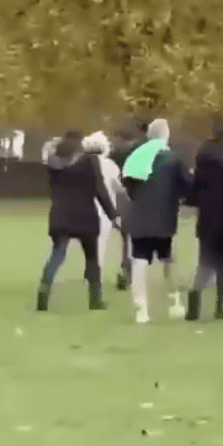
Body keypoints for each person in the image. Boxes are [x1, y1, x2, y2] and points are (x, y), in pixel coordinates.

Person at [121, 119, 195, 323]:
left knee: (139, 262)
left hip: (140, 217)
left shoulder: (135, 157)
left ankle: (141, 309)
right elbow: (188, 187)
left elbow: (128, 184)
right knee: (168, 261)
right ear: (166, 135)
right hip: (164, 218)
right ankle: (174, 303)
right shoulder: (172, 159)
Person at [37, 130, 118, 311]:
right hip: (85, 215)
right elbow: (100, 190)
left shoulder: (53, 163)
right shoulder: (90, 161)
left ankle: (44, 289)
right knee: (91, 258)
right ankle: (95, 300)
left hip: (60, 214)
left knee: (57, 255)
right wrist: (113, 215)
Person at [186, 116, 223, 321]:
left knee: (206, 260)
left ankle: (196, 292)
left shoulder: (201, 157)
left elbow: (194, 190)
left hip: (207, 217)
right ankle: (221, 306)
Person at [82, 131, 127, 283]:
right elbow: (118, 187)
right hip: (104, 211)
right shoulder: (110, 165)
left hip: (85, 211)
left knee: (89, 246)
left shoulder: (80, 164)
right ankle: (95, 281)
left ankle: (90, 273)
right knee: (100, 246)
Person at [109, 120, 148, 290]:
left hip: (123, 198)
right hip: (131, 198)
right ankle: (128, 271)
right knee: (131, 239)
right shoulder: (136, 154)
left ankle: (127, 271)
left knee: (128, 239)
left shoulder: (116, 155)